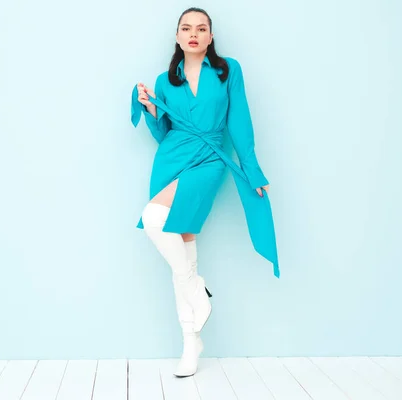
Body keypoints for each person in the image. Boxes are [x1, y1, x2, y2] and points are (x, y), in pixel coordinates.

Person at [130, 7, 279, 377]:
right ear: (177, 37)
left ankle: (198, 293)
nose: (193, 33)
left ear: (210, 37)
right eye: (186, 28)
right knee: (182, 243)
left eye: (201, 28)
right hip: (171, 159)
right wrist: (150, 107)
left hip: (210, 158)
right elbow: (164, 133)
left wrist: (253, 170)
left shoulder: (229, 70)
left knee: (154, 219)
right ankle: (191, 343)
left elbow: (240, 121)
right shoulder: (166, 80)